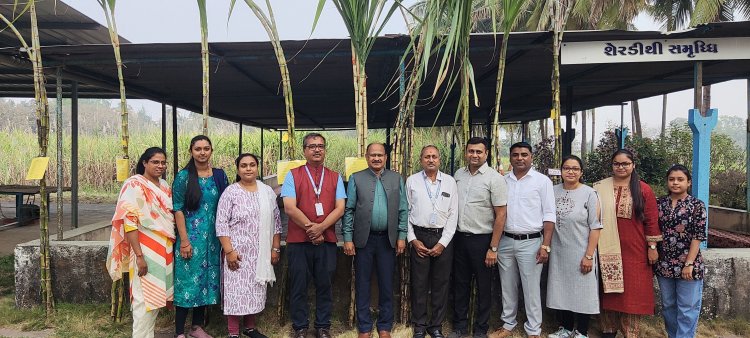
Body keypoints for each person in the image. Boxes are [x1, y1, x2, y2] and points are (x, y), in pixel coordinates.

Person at [281, 133, 346, 338]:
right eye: (312, 146)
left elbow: (340, 208)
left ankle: (322, 326)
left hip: (326, 242)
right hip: (298, 242)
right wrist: (313, 229)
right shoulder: (293, 175)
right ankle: (300, 327)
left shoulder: (335, 176)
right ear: (304, 150)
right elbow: (289, 208)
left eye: (321, 146)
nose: (317, 149)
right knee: (299, 284)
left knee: (325, 284)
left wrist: (321, 229)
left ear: (325, 150)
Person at [106, 147, 175, 338]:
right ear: (144, 163)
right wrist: (139, 256)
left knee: (156, 300)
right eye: (155, 162)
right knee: (143, 299)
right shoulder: (134, 185)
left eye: (163, 162)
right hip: (144, 249)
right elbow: (130, 222)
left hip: (164, 248)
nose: (160, 166)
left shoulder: (164, 186)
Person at [594, 149, 662, 338]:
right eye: (617, 163)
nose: (621, 167)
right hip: (605, 247)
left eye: (625, 164)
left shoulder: (643, 189)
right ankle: (608, 331)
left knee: (633, 292)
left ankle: (630, 333)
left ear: (633, 165)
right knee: (608, 290)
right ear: (612, 165)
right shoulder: (600, 187)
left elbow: (651, 220)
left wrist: (652, 247)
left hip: (635, 250)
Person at [343, 143, 408, 338]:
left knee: (387, 283)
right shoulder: (356, 178)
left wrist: (402, 236)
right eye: (373, 155)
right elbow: (349, 210)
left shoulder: (396, 178)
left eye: (380, 155)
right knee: (362, 283)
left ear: (386, 157)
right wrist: (347, 238)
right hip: (364, 240)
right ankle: (364, 327)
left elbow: (403, 209)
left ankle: (385, 326)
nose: (376, 158)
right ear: (366, 156)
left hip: (388, 241)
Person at [215, 153, 282, 338]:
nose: (248, 168)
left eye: (252, 165)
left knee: (255, 289)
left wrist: (275, 248)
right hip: (237, 252)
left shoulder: (266, 192)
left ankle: (250, 328)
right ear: (238, 169)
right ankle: (233, 332)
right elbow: (221, 224)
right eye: (244, 165)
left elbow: (276, 222)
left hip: (260, 252)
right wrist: (229, 251)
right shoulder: (231, 192)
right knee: (236, 291)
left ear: (257, 168)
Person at [493, 142, 555, 338]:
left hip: (532, 242)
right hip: (505, 241)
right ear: (510, 157)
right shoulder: (502, 181)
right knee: (507, 286)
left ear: (531, 157)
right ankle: (508, 325)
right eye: (515, 155)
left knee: (531, 288)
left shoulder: (542, 181)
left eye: (524, 154)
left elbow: (549, 215)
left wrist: (545, 245)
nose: (520, 158)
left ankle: (534, 329)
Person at [449, 137, 507, 338]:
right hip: (459, 239)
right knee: (460, 284)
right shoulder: (458, 175)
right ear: (466, 152)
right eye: (471, 151)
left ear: (486, 154)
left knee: (483, 287)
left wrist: (493, 248)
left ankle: (481, 329)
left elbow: (501, 215)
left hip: (483, 240)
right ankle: (459, 327)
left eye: (478, 152)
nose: (474, 155)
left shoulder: (495, 179)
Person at [172, 135, 228, 338]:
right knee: (188, 282)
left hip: (213, 241)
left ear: (211, 151)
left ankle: (196, 327)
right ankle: (179, 332)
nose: (202, 152)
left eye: (206, 149)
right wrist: (184, 241)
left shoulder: (220, 176)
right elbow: (177, 209)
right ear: (191, 151)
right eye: (198, 149)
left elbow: (225, 205)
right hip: (191, 239)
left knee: (204, 282)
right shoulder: (183, 177)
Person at [546, 155, 602, 338]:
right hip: (559, 250)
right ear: (561, 171)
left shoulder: (589, 193)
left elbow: (595, 226)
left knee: (583, 290)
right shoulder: (551, 191)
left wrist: (589, 255)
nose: (570, 171)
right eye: (567, 168)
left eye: (575, 168)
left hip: (581, 249)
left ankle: (582, 331)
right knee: (563, 289)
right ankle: (566, 328)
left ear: (581, 172)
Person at [406, 145, 458, 338]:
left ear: (439, 159)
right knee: (419, 283)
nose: (430, 160)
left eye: (434, 156)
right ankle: (419, 325)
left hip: (442, 237)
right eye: (427, 156)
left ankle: (435, 325)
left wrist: (442, 243)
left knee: (441, 283)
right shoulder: (412, 181)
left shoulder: (450, 182)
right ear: (421, 159)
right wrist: (412, 239)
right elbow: (406, 214)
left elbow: (453, 215)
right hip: (419, 236)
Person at [655, 165, 706, 338]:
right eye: (671, 179)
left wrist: (689, 263)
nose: (675, 183)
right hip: (664, 264)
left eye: (680, 179)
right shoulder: (659, 203)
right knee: (668, 305)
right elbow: (653, 230)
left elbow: (698, 236)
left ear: (688, 182)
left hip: (688, 265)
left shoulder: (697, 206)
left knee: (687, 308)